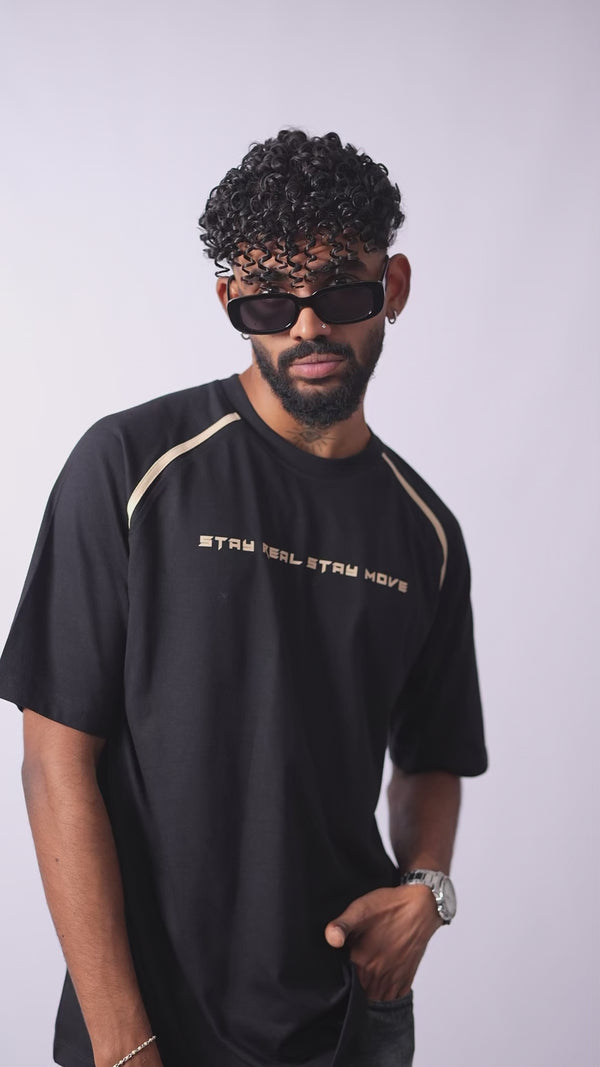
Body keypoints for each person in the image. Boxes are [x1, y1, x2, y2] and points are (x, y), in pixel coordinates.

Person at [0, 129, 487, 1067]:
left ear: (392, 287)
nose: (306, 328)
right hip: (150, 1024)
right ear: (230, 301)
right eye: (270, 298)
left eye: (340, 292)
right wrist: (122, 1044)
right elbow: (54, 765)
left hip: (348, 1022)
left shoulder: (425, 531)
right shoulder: (131, 466)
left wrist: (428, 888)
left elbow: (434, 752)